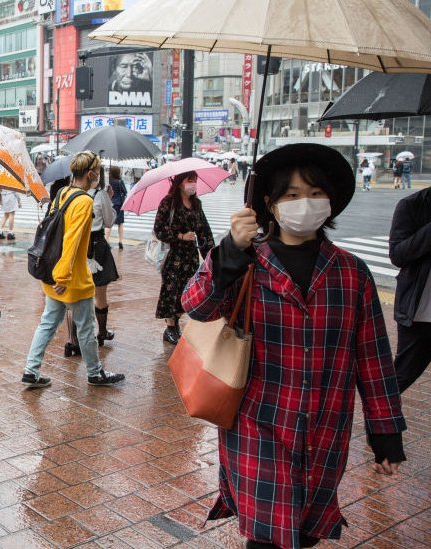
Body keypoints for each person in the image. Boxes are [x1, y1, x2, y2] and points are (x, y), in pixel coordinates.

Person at [183, 143, 405, 549]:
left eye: (316, 194)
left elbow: (372, 359)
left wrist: (386, 432)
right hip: (258, 423)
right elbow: (196, 306)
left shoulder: (352, 273)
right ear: (269, 203)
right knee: (266, 536)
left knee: (306, 532)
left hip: (326, 429)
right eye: (292, 195)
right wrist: (231, 253)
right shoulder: (248, 261)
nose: (306, 203)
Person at [21, 151, 126, 389]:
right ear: (90, 174)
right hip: (71, 278)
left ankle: (31, 369)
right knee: (86, 328)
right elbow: (72, 240)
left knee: (47, 323)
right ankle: (95, 373)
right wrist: (64, 275)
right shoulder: (84, 201)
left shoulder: (62, 193)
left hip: (52, 274)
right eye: (97, 172)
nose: (98, 176)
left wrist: (57, 274)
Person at [154, 170, 214, 345]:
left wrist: (211, 255)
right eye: (190, 180)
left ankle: (175, 323)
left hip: (190, 257)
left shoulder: (197, 204)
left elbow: (204, 230)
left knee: (187, 291)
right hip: (173, 256)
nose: (193, 184)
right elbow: (159, 229)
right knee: (171, 291)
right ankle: (170, 327)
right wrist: (180, 236)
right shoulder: (169, 203)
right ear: (180, 182)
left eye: (195, 180)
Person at [389, 183, 431, 393]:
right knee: (401, 377)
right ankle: (379, 422)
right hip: (420, 314)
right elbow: (398, 254)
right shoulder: (412, 205)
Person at [89, 168, 119, 344]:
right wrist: (109, 199)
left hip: (78, 247)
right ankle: (101, 332)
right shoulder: (100, 195)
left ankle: (75, 337)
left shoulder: (72, 193)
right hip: (97, 247)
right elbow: (109, 222)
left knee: (79, 294)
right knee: (100, 292)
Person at [104, 165, 127, 249]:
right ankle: (120, 242)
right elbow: (125, 192)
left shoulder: (109, 182)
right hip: (120, 204)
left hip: (111, 204)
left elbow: (106, 193)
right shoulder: (120, 182)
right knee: (120, 223)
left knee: (108, 224)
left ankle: (106, 241)